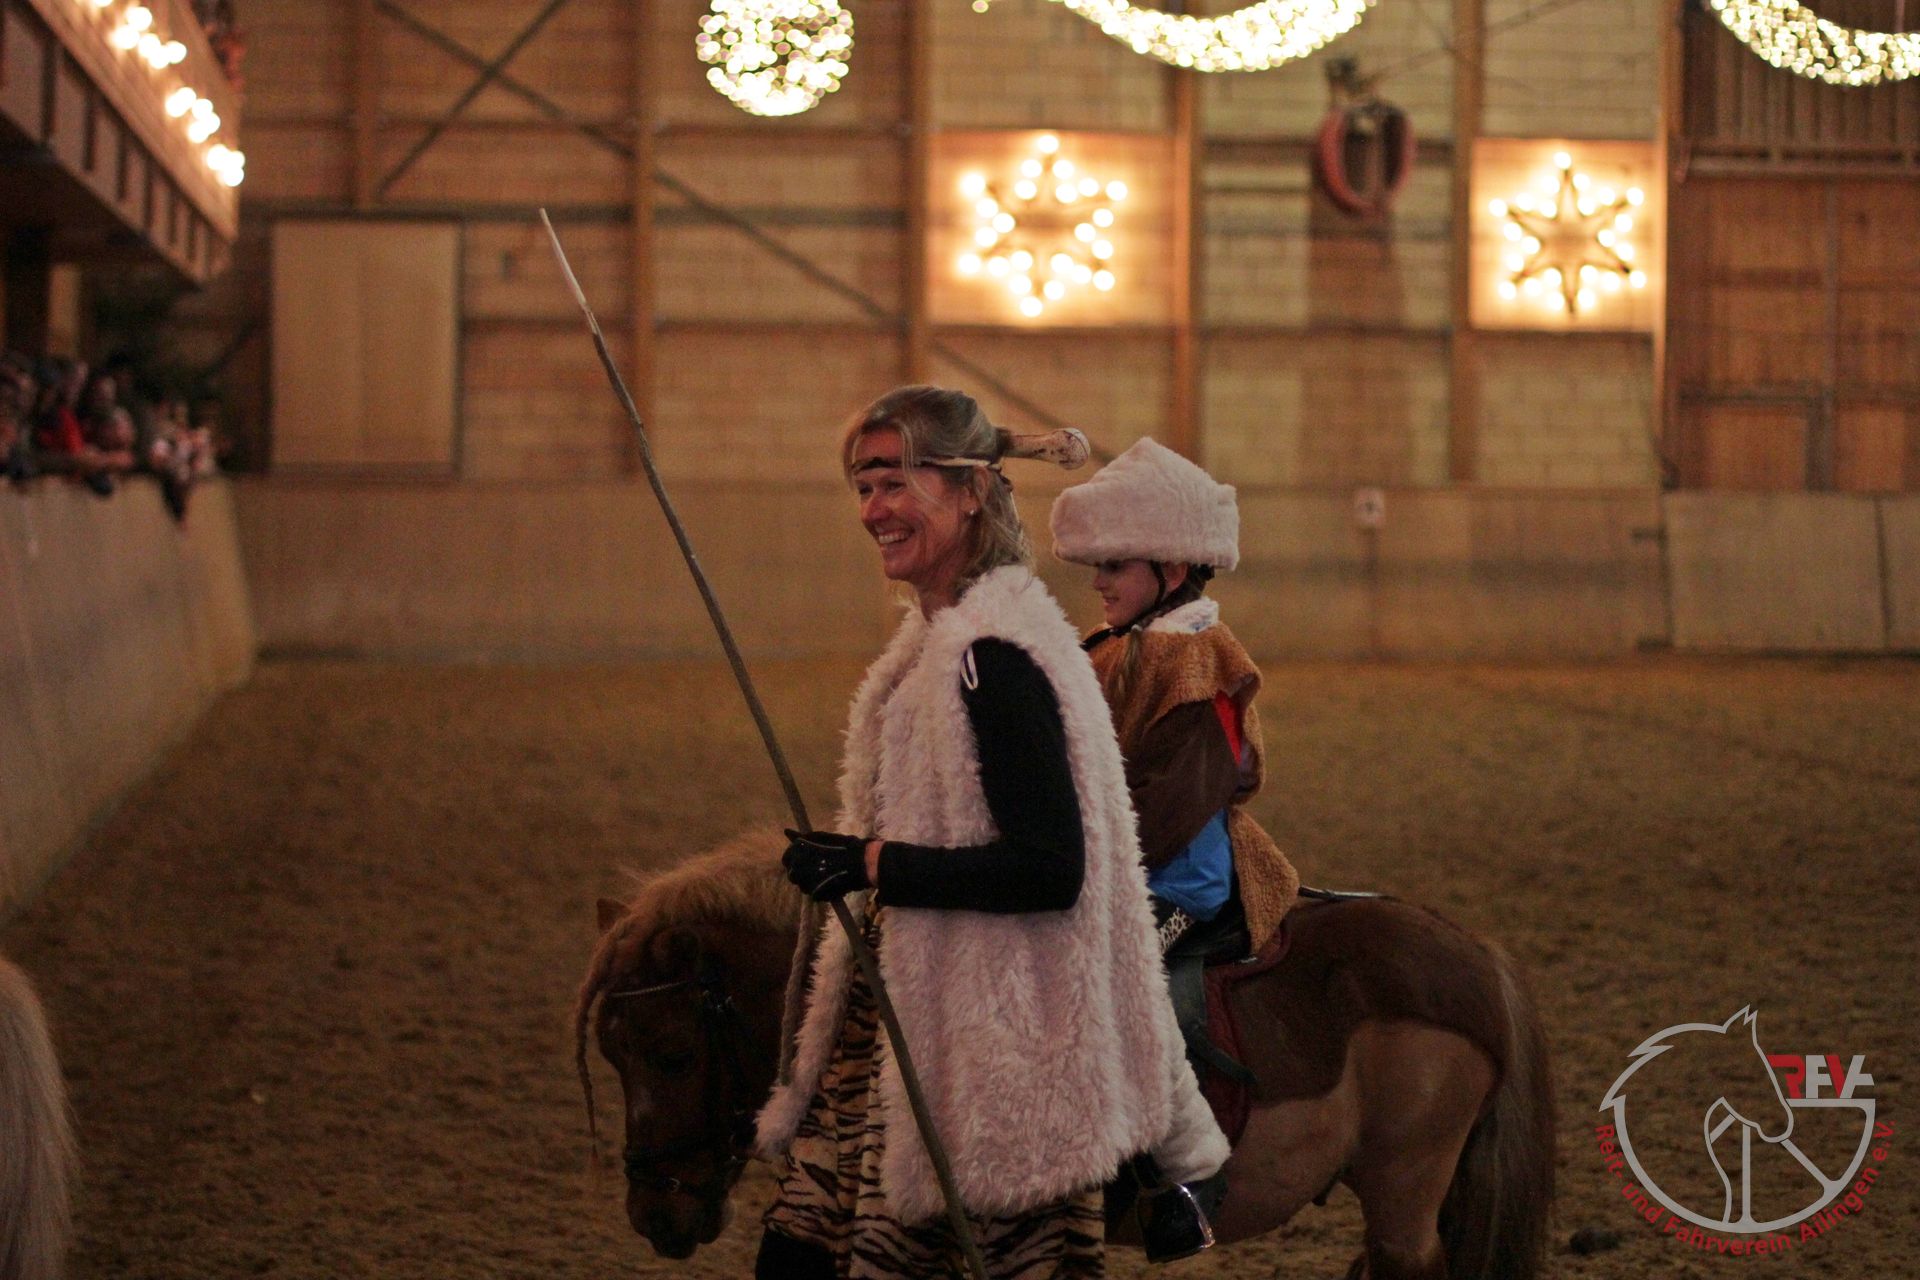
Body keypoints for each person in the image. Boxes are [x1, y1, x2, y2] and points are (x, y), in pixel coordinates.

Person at [756, 387, 1227, 1279]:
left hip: (986, 1058)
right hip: (898, 1024)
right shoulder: (938, 647)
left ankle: (1183, 1171)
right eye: (864, 487)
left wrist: (870, 863)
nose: (874, 510)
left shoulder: (995, 657)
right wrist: (862, 862)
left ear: (970, 491)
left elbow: (1050, 869)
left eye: (896, 483)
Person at [1049, 437, 1300, 961]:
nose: (1097, 582)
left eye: (1114, 565)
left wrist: (1061, 856)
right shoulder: (1112, 644)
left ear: (1174, 571)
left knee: (1097, 971)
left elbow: (1164, 815)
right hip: (1113, 863)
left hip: (1177, 886)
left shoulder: (1203, 670)